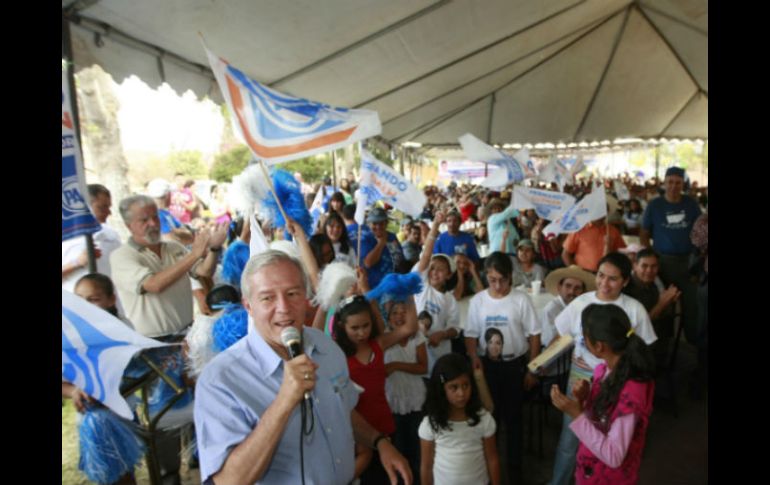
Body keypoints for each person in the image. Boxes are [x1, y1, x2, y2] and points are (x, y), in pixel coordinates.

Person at [194, 251, 412, 484]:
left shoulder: (326, 347)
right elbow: (228, 480)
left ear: (306, 297)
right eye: (267, 298)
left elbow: (343, 409)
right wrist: (284, 401)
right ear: (248, 306)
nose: (284, 308)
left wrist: (379, 441)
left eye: (292, 293)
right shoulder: (220, 380)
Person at [548, 252, 657, 485]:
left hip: (618, 382)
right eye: (600, 276)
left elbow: (644, 349)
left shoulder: (634, 309)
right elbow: (561, 337)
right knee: (571, 437)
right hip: (583, 377)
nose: (604, 284)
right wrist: (538, 364)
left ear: (626, 281)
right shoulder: (582, 303)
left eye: (613, 279)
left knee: (606, 434)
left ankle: (590, 473)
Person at [464, 251, 541, 482]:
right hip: (487, 367)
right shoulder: (478, 301)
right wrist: (473, 358)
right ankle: (491, 464)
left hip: (514, 365)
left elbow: (534, 335)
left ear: (511, 277)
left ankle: (515, 468)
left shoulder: (520, 299)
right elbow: (470, 335)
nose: (497, 285)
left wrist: (532, 368)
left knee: (514, 418)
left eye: (502, 279)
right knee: (489, 416)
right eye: (492, 279)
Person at [333, 292, 419, 484]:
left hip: (385, 428)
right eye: (354, 328)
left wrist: (409, 292)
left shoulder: (378, 344)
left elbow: (410, 327)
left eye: (366, 325)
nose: (362, 333)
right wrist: (324, 302)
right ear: (342, 326)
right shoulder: (335, 352)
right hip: (354, 433)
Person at [640, 167, 702, 350]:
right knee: (663, 306)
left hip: (688, 262)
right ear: (664, 183)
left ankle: (694, 347)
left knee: (693, 306)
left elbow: (700, 233)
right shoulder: (655, 205)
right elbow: (644, 232)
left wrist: (698, 261)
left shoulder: (691, 204)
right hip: (662, 263)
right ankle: (663, 345)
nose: (674, 186)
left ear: (683, 184)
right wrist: (649, 254)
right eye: (671, 182)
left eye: (678, 182)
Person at [418, 353, 500, 485]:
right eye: (453, 387)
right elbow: (426, 466)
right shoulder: (430, 424)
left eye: (465, 385)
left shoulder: (484, 419)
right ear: (441, 390)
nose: (461, 393)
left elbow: (492, 459)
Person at [383, 299, 429, 483]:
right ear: (388, 318)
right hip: (393, 400)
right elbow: (383, 372)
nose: (400, 316)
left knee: (417, 448)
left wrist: (395, 365)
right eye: (395, 313)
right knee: (399, 447)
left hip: (416, 398)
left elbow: (423, 367)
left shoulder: (417, 337)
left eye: (404, 312)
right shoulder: (384, 338)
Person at [414, 212, 461, 373]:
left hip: (439, 354)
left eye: (441, 270)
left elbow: (455, 328)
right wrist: (434, 226)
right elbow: (426, 255)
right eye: (432, 268)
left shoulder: (449, 300)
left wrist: (442, 334)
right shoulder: (421, 285)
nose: (434, 272)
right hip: (416, 351)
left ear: (448, 275)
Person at [62, 184, 123, 292]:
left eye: (108, 207)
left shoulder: (111, 236)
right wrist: (77, 262)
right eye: (102, 207)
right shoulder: (66, 235)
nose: (108, 212)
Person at [361, 207, 406, 288]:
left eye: (381, 223)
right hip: (376, 287)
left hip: (395, 284)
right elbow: (368, 263)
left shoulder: (392, 236)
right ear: (369, 224)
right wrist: (382, 242)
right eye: (374, 223)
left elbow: (400, 257)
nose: (378, 227)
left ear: (386, 223)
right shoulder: (365, 238)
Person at [562, 216, 626, 272]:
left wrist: (609, 247)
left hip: (606, 274)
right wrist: (575, 271)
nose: (601, 215)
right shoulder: (579, 229)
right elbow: (565, 254)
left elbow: (622, 252)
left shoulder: (612, 231)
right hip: (583, 272)